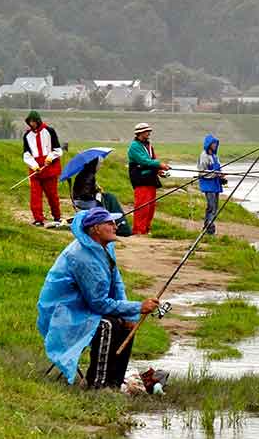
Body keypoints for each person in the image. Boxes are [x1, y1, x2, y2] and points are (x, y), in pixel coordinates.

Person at [37, 207, 159, 388]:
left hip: (85, 305)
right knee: (108, 325)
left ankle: (114, 383)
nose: (115, 226)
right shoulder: (81, 257)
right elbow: (99, 304)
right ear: (95, 229)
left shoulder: (105, 246)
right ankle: (98, 384)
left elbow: (117, 282)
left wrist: (129, 314)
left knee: (126, 325)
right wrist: (137, 307)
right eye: (109, 223)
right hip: (65, 311)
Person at [22, 110, 64, 228]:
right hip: (35, 170)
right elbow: (26, 154)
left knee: (52, 194)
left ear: (38, 121)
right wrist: (34, 165)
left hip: (49, 168)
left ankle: (57, 216)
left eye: (34, 122)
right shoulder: (27, 135)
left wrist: (50, 158)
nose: (32, 124)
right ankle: (38, 219)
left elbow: (57, 150)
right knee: (35, 195)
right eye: (30, 122)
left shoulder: (49, 131)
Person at [127, 122, 170, 235]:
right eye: (147, 131)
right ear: (140, 133)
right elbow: (144, 161)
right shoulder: (134, 146)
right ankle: (138, 230)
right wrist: (159, 164)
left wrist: (159, 170)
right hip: (140, 179)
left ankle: (146, 229)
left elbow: (152, 160)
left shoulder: (149, 146)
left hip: (150, 178)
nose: (149, 133)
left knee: (150, 207)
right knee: (142, 206)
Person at [72, 157, 132, 236]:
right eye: (99, 164)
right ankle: (118, 226)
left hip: (80, 200)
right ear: (94, 164)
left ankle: (113, 224)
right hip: (84, 202)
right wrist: (96, 193)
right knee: (109, 199)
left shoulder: (87, 173)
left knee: (108, 197)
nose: (100, 166)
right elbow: (85, 195)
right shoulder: (88, 175)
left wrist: (96, 189)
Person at [197, 133, 226, 235]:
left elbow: (218, 168)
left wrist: (221, 175)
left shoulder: (215, 156)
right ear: (208, 144)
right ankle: (210, 229)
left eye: (216, 144)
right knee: (211, 207)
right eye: (213, 143)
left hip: (215, 185)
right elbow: (202, 172)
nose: (215, 145)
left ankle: (207, 226)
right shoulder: (204, 156)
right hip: (208, 185)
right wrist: (215, 174)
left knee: (215, 207)